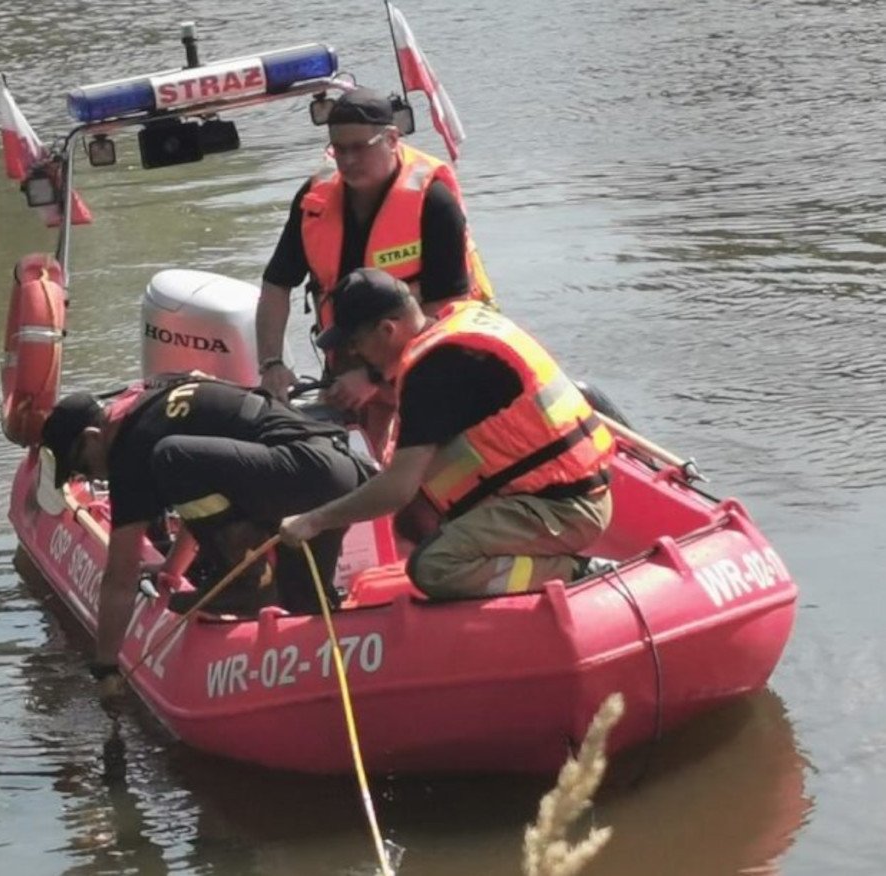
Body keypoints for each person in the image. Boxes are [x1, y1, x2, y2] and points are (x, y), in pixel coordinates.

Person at [39, 377, 372, 712]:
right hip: (330, 471)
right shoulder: (156, 406)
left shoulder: (129, 449)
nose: (94, 479)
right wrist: (171, 570)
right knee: (305, 607)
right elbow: (203, 498)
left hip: (299, 476)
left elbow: (120, 576)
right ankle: (339, 702)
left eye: (83, 467)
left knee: (171, 457)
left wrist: (107, 668)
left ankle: (248, 582)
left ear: (93, 437)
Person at [279, 268, 614, 599]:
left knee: (434, 566)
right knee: (412, 521)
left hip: (564, 509)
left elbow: (397, 488)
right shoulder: (453, 329)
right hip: (566, 490)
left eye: (355, 343)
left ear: (387, 329)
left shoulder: (433, 371)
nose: (353, 355)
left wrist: (315, 520)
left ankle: (575, 573)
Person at [256, 87, 495, 444]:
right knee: (330, 458)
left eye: (359, 148)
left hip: (432, 359)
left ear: (392, 139)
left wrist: (374, 377)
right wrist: (271, 364)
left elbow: (448, 310)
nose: (348, 160)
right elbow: (277, 284)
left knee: (422, 468)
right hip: (350, 360)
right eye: (339, 149)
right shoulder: (315, 200)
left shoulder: (433, 201)